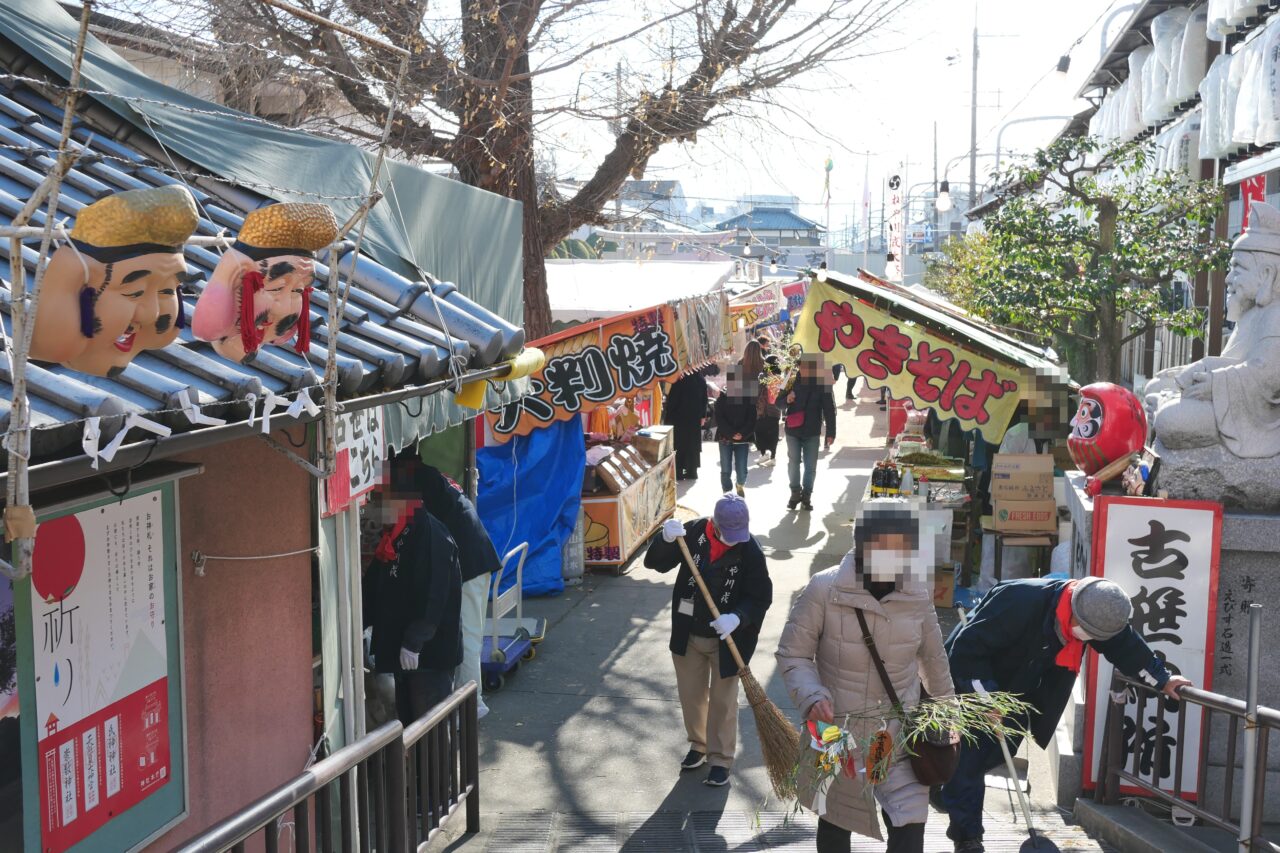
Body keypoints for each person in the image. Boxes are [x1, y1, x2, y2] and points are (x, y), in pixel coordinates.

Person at [939, 577, 1195, 852]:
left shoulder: (1100, 616)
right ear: (1073, 609)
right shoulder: (1020, 600)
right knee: (971, 758)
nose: (1087, 637)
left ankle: (947, 785)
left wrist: (1163, 679)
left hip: (1019, 688)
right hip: (976, 680)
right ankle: (968, 839)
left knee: (994, 753)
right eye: (1085, 630)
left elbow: (1126, 646)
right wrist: (987, 699)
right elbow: (966, 651)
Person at [777, 500, 953, 853]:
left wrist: (948, 719)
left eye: (904, 547)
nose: (897, 557)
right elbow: (793, 653)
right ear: (862, 545)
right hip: (836, 735)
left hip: (897, 735)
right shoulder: (824, 590)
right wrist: (811, 696)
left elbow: (934, 662)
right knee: (835, 825)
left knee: (909, 830)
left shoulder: (917, 595)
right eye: (887, 546)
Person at [644, 494, 773, 787]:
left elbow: (760, 597)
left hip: (727, 640)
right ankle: (698, 745)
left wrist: (738, 617)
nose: (733, 541)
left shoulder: (750, 550)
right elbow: (656, 564)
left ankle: (721, 758)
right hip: (688, 631)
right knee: (691, 695)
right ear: (714, 523)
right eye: (727, 535)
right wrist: (664, 539)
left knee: (723, 701)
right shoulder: (691, 533)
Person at [363, 463, 464, 725]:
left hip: (428, 652)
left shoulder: (431, 534)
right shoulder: (396, 533)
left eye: (378, 500)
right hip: (402, 650)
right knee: (409, 722)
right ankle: (417, 768)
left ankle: (439, 768)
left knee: (431, 725)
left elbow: (435, 593)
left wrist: (414, 641)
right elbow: (376, 584)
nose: (372, 509)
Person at [420, 465, 502, 719]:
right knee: (468, 636)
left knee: (467, 638)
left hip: (470, 564)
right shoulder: (435, 476)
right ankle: (468, 704)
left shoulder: (421, 485)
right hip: (477, 559)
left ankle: (472, 707)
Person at [784, 353, 837, 511]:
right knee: (793, 463)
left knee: (810, 466)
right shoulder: (790, 379)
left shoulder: (822, 382)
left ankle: (806, 495)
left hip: (812, 430)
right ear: (799, 365)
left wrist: (831, 432)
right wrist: (787, 399)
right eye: (802, 365)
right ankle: (795, 492)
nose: (805, 369)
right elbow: (777, 402)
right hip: (793, 431)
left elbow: (829, 409)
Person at [664, 365, 715, 480]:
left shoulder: (678, 379)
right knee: (692, 444)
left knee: (679, 444)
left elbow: (673, 400)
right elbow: (704, 399)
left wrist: (668, 415)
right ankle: (692, 471)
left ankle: (679, 471)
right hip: (694, 417)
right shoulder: (699, 377)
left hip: (678, 417)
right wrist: (703, 415)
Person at [715, 368, 757, 495]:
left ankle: (740, 485)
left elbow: (752, 419)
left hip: (743, 439)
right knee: (726, 468)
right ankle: (727, 492)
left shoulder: (748, 397)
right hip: (725, 438)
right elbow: (719, 418)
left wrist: (742, 434)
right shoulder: (722, 397)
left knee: (742, 468)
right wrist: (731, 433)